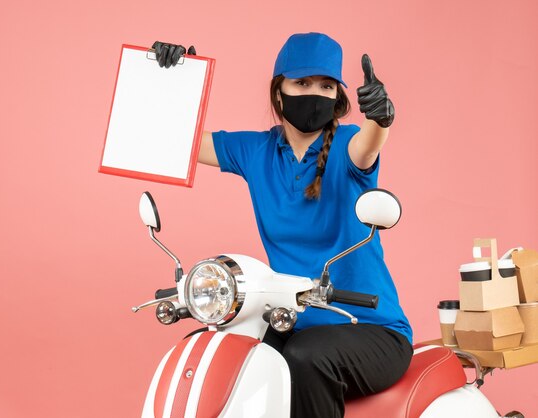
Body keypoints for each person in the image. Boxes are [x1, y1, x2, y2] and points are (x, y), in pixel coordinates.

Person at [152, 33, 413, 418]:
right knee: (213, 349)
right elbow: (175, 142)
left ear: (338, 98)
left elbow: (370, 145)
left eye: (326, 86)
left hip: (370, 328)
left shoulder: (347, 143)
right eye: (302, 83)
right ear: (279, 93)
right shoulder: (256, 151)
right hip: (291, 320)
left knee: (305, 358)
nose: (315, 93)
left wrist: (380, 118)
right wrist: (173, 83)